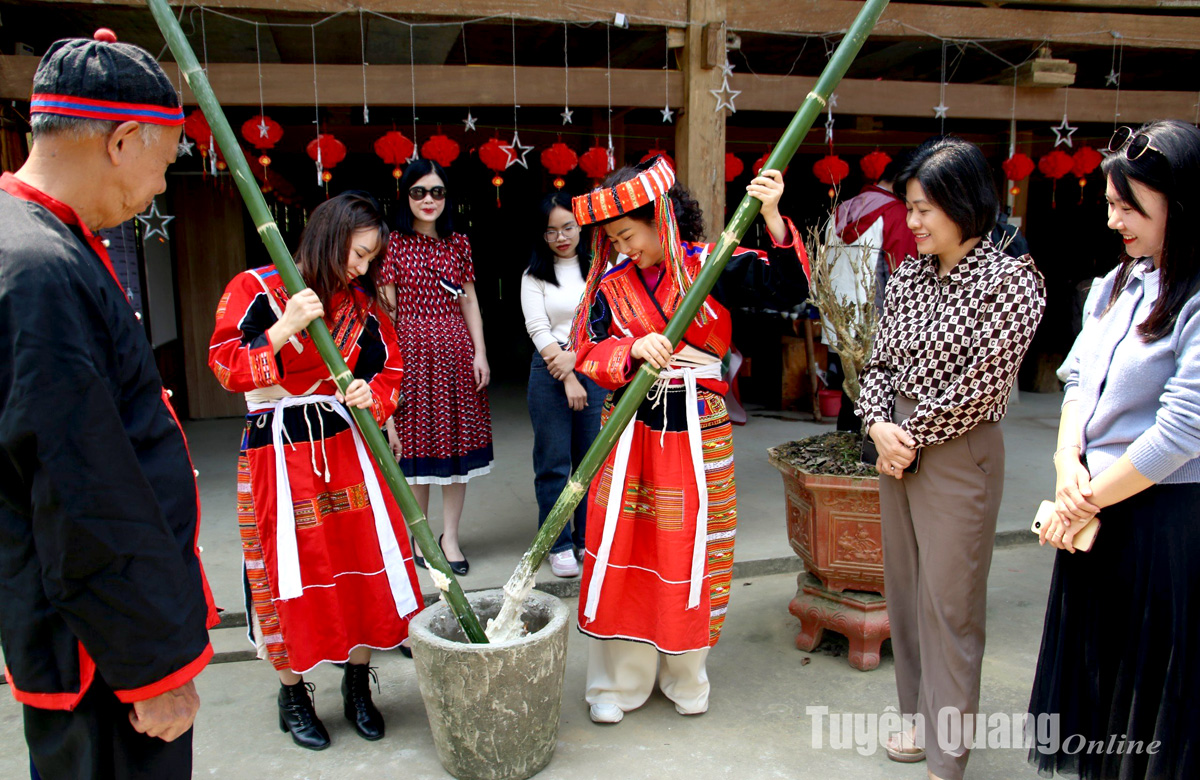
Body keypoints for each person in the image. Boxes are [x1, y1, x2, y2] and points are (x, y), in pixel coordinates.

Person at [0, 30, 218, 778]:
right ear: (123, 140)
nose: (160, 187)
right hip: (102, 652)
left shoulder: (38, 238)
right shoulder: (38, 269)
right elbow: (81, 488)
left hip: (81, 619)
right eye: (163, 164)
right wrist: (151, 668)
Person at [570, 156, 808, 724]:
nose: (624, 249)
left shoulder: (711, 265)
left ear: (663, 219)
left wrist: (772, 214)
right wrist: (629, 351)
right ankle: (617, 683)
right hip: (629, 431)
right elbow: (586, 351)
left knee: (690, 545)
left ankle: (685, 673)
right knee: (623, 545)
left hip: (695, 427)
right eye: (614, 240)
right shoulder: (610, 285)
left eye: (629, 235)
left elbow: (788, 287)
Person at [855, 137, 1045, 780]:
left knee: (951, 601)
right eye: (909, 208)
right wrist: (880, 424)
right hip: (896, 444)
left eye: (924, 209)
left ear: (965, 203)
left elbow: (984, 384)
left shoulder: (1012, 282)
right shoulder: (907, 275)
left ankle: (949, 747)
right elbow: (879, 362)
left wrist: (908, 433)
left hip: (959, 450)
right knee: (906, 591)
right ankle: (913, 711)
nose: (912, 223)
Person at [209, 191, 424, 750]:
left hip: (346, 446)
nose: (361, 268)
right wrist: (284, 327)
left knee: (362, 563)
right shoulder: (254, 288)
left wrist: (367, 394)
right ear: (328, 238)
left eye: (371, 259)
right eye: (357, 254)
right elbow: (227, 366)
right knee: (286, 571)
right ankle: (293, 693)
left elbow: (391, 372)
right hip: (275, 452)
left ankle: (357, 686)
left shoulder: (365, 308)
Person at [1029, 120, 1200, 779]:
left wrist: (1081, 499)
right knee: (1100, 683)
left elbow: (1182, 431)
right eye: (1111, 204)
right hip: (1093, 510)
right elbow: (1077, 378)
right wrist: (1066, 463)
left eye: (1131, 208)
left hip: (1160, 522)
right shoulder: (1113, 285)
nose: (1114, 221)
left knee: (1150, 693)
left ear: (1179, 206)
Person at [379, 159, 492, 576]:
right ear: (405, 196)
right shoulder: (391, 244)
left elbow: (470, 303)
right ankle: (420, 535)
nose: (428, 200)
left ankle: (451, 537)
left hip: (456, 353)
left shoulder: (457, 243)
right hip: (411, 355)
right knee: (417, 448)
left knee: (457, 449)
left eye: (437, 192)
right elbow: (387, 312)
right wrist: (392, 369)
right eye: (419, 192)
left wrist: (480, 353)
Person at [520, 191, 608, 578]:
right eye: (552, 230)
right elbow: (539, 331)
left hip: (597, 370)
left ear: (580, 227)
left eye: (568, 227)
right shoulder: (533, 276)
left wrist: (585, 369)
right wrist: (570, 377)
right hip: (550, 372)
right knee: (554, 464)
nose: (561, 236)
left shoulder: (601, 268)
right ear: (542, 235)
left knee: (592, 461)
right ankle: (558, 543)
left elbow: (605, 326)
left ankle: (589, 538)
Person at [827, 151, 918, 430]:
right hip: (875, 321)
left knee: (850, 389)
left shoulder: (844, 207)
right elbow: (903, 271)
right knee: (877, 396)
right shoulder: (898, 214)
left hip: (839, 315)